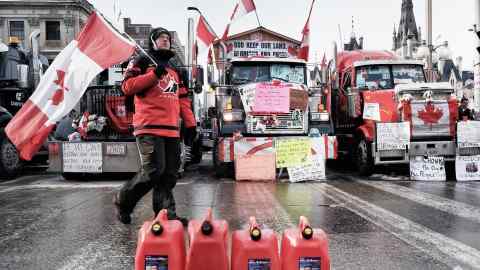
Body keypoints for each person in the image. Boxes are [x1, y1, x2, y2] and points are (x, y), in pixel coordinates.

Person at [113, 27, 197, 225]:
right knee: (153, 171)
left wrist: (191, 124)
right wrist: (153, 75)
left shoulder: (175, 69)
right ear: (153, 42)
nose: (165, 40)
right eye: (161, 38)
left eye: (168, 38)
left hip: (171, 129)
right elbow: (126, 87)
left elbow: (183, 100)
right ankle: (123, 202)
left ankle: (166, 215)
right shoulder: (142, 61)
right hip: (148, 126)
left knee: (169, 174)